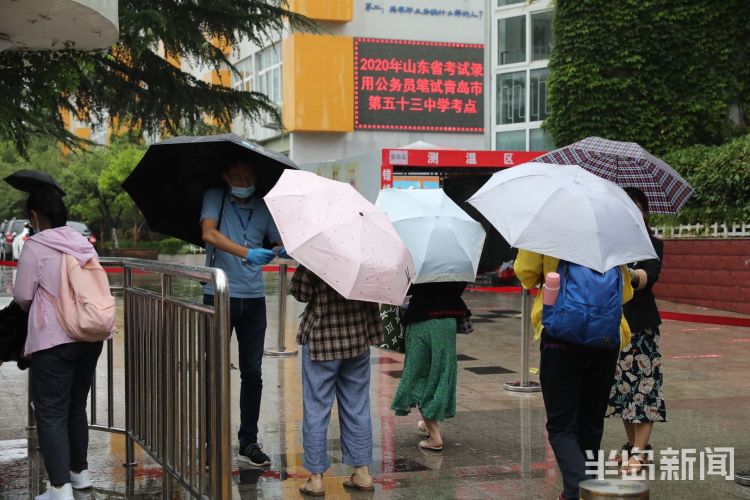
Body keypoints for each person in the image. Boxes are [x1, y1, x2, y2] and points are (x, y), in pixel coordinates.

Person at [514, 251, 633, 500]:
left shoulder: (546, 225)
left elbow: (525, 274)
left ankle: (581, 491)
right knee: (591, 422)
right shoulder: (609, 230)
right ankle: (575, 492)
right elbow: (625, 293)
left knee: (561, 425)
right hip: (605, 338)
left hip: (561, 335)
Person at [13, 186, 106, 500]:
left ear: (35, 216)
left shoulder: (36, 245)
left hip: (53, 340)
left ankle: (59, 490)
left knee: (50, 412)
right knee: (75, 409)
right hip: (90, 335)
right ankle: (80, 475)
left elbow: (24, 296)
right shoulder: (82, 243)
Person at [200, 158, 285, 467]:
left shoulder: (263, 206)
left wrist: (283, 247)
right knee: (215, 371)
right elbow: (210, 234)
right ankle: (211, 440)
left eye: (249, 177)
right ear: (226, 175)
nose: (244, 182)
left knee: (253, 373)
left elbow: (278, 240)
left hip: (253, 299)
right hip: (218, 294)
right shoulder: (215, 197)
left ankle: (247, 441)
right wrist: (248, 252)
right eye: (237, 176)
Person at [289, 265, 382, 497]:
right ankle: (362, 473)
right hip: (357, 338)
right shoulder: (367, 258)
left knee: (316, 408)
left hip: (322, 340)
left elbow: (300, 293)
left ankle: (316, 478)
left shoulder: (316, 254)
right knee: (357, 406)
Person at [606, 187, 666, 472]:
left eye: (636, 207)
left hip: (640, 326)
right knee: (623, 391)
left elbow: (648, 276)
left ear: (643, 211)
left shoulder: (651, 243)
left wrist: (626, 274)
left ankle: (640, 453)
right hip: (614, 325)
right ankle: (633, 448)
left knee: (643, 390)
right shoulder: (609, 243)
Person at [390, 282, 470, 452]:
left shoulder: (420, 260)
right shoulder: (454, 262)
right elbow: (459, 285)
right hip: (447, 321)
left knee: (419, 374)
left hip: (423, 320)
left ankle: (434, 436)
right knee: (441, 371)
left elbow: (405, 288)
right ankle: (429, 424)